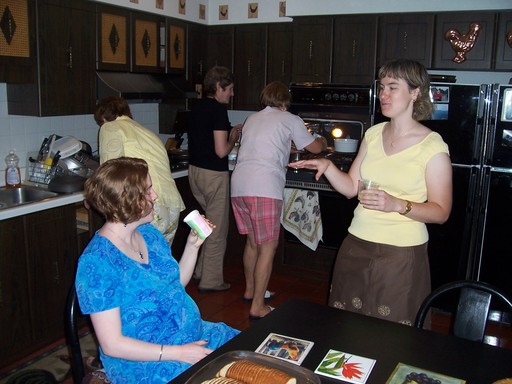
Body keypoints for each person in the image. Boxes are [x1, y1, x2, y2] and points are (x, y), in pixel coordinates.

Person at [289, 59, 453, 325]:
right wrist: (328, 166)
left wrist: (397, 204)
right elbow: (351, 188)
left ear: (415, 92)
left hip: (401, 254)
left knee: (391, 336)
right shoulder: (373, 135)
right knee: (347, 327)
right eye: (382, 87)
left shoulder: (431, 147)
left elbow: (441, 212)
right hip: (356, 244)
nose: (383, 95)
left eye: (392, 87)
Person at [75, 157, 239, 384]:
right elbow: (112, 344)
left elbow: (175, 284)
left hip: (193, 338)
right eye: (148, 191)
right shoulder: (97, 263)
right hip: (149, 362)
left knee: (252, 352)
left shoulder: (149, 234)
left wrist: (192, 246)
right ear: (127, 200)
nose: (154, 196)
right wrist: (180, 353)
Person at [231, 81, 325, 320]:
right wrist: (322, 141)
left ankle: (252, 291)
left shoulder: (252, 119)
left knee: (252, 242)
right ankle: (258, 306)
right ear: (285, 102)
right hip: (264, 187)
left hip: (239, 185)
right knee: (268, 247)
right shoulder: (290, 118)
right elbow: (314, 148)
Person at [94, 96, 185, 245]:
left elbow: (109, 171)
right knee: (159, 261)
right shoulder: (145, 131)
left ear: (103, 117)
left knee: (138, 260)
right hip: (172, 205)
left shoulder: (110, 127)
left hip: (146, 205)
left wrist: (93, 196)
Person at [187, 66, 242, 292]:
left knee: (205, 224)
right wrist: (234, 139)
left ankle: (199, 271)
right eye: (228, 89)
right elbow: (221, 151)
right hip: (213, 176)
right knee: (217, 230)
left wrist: (231, 130)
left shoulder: (197, 107)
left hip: (195, 173)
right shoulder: (218, 111)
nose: (231, 94)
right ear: (218, 87)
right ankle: (211, 281)